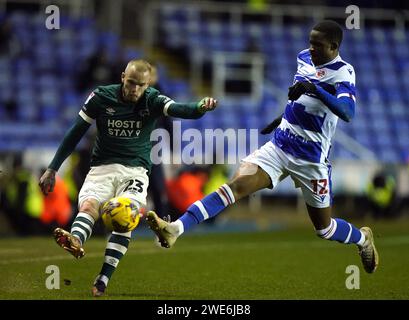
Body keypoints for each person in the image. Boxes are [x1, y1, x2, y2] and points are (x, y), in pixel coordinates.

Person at [146, 21, 379, 274]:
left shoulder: (344, 72)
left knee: (325, 229)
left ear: (334, 47)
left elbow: (346, 112)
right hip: (279, 146)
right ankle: (175, 229)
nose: (311, 49)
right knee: (235, 187)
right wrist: (283, 118)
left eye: (318, 45)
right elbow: (301, 99)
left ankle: (363, 239)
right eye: (310, 42)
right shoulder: (303, 58)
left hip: (311, 159)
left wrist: (316, 89)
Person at [39, 59, 218, 297]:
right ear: (123, 76)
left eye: (140, 85)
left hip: (134, 171)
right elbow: (76, 131)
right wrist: (52, 168)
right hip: (101, 168)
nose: (134, 89)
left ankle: (103, 277)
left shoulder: (152, 98)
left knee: (125, 218)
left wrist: (199, 107)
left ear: (147, 84)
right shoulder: (101, 97)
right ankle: (77, 240)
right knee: (89, 206)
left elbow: (180, 110)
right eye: (131, 82)